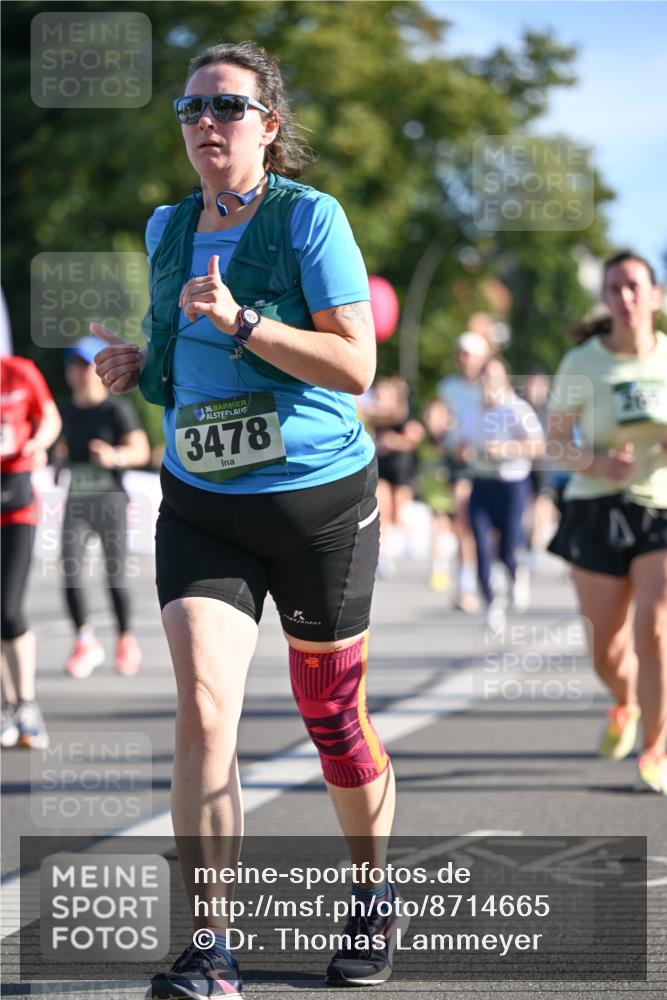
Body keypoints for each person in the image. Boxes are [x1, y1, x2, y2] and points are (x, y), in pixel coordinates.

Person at [91, 41, 406, 998]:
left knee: (332, 720)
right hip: (205, 508)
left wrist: (244, 323)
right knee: (202, 711)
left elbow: (356, 369)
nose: (205, 126)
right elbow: (173, 368)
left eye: (226, 107)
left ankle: (370, 891)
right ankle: (211, 945)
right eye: (190, 112)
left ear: (268, 125)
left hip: (319, 511)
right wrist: (136, 372)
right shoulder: (167, 227)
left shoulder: (311, 219)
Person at [547, 251, 667, 794]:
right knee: (607, 648)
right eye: (616, 287)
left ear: (656, 296)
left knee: (656, 629)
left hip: (659, 505)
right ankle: (625, 702)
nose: (625, 297)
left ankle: (656, 749)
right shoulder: (582, 363)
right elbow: (554, 444)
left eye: (635, 287)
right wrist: (601, 463)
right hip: (596, 507)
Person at [55, 336, 150, 679]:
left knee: (116, 576)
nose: (77, 372)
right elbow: (56, 444)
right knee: (70, 571)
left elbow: (140, 449)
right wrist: (57, 459)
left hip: (110, 501)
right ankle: (84, 640)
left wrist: (115, 456)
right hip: (77, 501)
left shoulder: (115, 409)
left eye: (84, 365)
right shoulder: (63, 410)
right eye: (73, 365)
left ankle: (125, 640)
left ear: (98, 370)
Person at [1, 354, 61, 748]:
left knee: (8, 608)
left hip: (16, 502)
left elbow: (51, 417)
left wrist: (38, 442)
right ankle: (7, 708)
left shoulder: (18, 371)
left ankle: (27, 704)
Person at [467, 357, 544, 630]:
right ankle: (491, 604)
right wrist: (462, 450)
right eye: (485, 376)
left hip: (512, 483)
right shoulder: (472, 409)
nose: (489, 382)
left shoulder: (516, 408)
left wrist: (507, 449)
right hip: (481, 482)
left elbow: (538, 446)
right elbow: (459, 443)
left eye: (495, 376)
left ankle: (515, 573)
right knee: (480, 544)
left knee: (508, 544)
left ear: (506, 380)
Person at [437, 330, 491, 611]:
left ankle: (492, 575)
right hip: (459, 463)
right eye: (461, 353)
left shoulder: (491, 387)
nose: (464, 359)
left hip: (490, 464)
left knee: (486, 528)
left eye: (469, 355)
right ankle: (467, 586)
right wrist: (446, 440)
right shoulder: (448, 388)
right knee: (464, 521)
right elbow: (443, 425)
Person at [362, 375, 424, 575]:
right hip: (382, 468)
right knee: (383, 508)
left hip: (402, 470)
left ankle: (413, 540)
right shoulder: (372, 418)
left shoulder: (404, 416)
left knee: (399, 511)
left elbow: (414, 437)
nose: (380, 400)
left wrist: (394, 441)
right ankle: (384, 554)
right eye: (378, 395)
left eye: (384, 396)